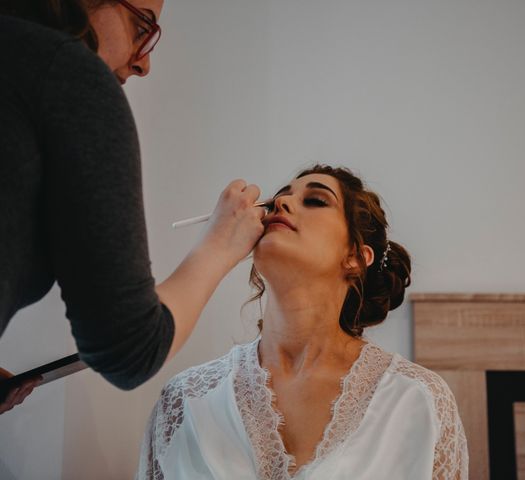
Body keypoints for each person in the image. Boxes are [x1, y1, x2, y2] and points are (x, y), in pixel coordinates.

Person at [0, 0, 266, 414]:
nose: (144, 63)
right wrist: (219, 244)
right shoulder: (67, 75)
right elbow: (128, 349)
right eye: (143, 26)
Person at [137, 165, 469, 479]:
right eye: (280, 196)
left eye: (315, 200)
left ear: (355, 257)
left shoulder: (416, 401)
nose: (281, 201)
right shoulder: (185, 404)